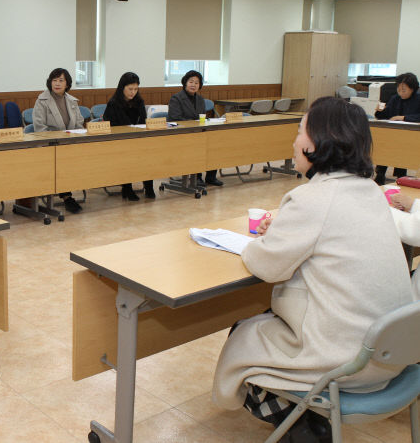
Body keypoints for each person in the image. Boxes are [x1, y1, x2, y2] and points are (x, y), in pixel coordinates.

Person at [213, 97, 413, 442]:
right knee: (266, 322)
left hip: (347, 361)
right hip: (395, 353)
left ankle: (303, 427)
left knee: (242, 334)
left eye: (299, 131)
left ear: (315, 143)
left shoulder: (313, 198)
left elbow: (265, 264)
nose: (294, 141)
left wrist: (264, 240)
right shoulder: (370, 191)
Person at [33, 68, 85, 213]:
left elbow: (79, 124)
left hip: (69, 145)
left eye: (61, 80)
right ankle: (67, 197)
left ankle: (67, 193)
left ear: (67, 83)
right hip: (49, 146)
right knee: (62, 160)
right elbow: (39, 128)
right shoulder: (42, 101)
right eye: (54, 80)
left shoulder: (72, 101)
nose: (57, 83)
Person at [103, 72, 155, 200]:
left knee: (148, 153)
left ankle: (149, 186)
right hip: (119, 141)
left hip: (138, 139)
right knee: (127, 155)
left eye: (136, 89)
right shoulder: (113, 103)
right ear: (122, 88)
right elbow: (109, 125)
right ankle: (127, 188)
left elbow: (144, 121)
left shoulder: (139, 101)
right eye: (130, 89)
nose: (133, 92)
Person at [168, 70, 223, 186]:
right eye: (191, 82)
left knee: (215, 143)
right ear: (185, 83)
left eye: (197, 83)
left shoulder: (200, 100)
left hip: (198, 132)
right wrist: (193, 125)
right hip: (181, 134)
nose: (193, 85)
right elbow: (175, 119)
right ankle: (196, 177)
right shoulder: (176, 98)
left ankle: (211, 177)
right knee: (197, 145)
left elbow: (201, 118)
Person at [374, 72, 420, 185]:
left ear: (413, 88)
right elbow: (385, 115)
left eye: (404, 90)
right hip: (392, 132)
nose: (400, 93)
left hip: (410, 134)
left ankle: (401, 175)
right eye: (399, 90)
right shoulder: (395, 98)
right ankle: (380, 174)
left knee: (401, 148)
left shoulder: (418, 99)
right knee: (384, 144)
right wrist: (379, 111)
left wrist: (403, 117)